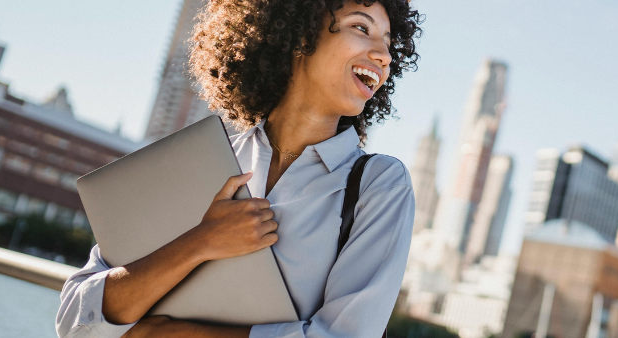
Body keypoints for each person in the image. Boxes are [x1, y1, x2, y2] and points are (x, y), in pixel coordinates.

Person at [55, 0, 422, 336]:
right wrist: (200, 242)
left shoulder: (379, 186)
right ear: (300, 33)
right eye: (361, 28)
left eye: (389, 43)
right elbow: (75, 324)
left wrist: (175, 334)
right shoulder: (202, 162)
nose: (384, 55)